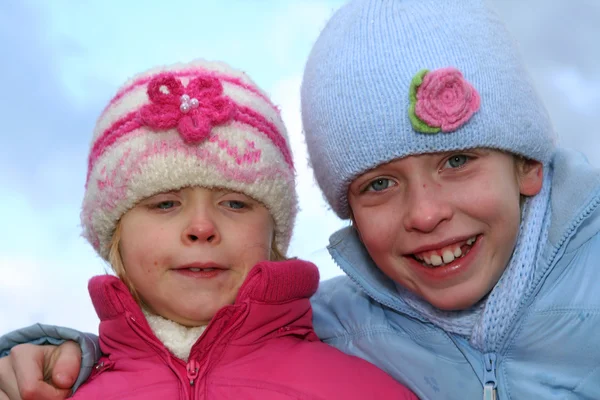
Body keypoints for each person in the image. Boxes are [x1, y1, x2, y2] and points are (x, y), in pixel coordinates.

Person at [3, 0, 600, 398]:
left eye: (457, 159)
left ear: (527, 164)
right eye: (379, 184)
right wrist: (69, 354)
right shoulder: (337, 322)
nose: (426, 213)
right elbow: (199, 344)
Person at [0, 59, 417, 400]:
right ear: (114, 236)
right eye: (165, 204)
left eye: (235, 203)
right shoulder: (51, 392)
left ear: (273, 233)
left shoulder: (364, 389)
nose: (201, 227)